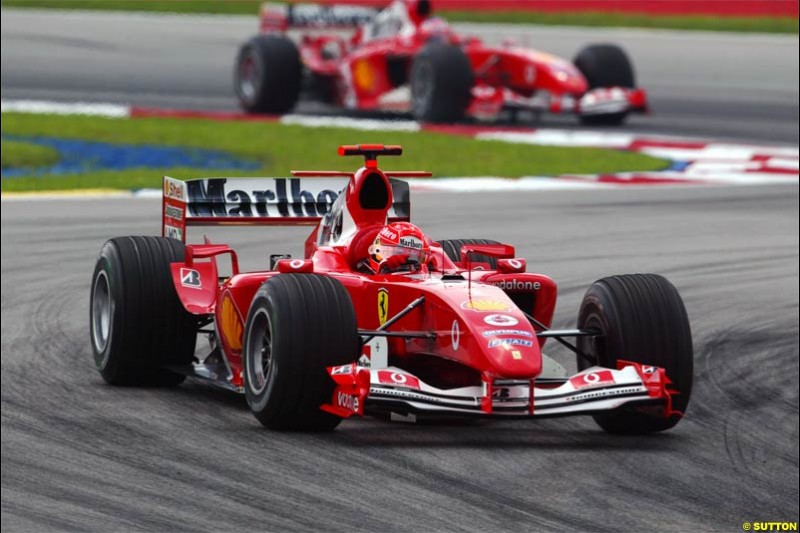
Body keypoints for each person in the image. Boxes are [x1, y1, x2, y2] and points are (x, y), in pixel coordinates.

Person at [357, 222, 431, 274]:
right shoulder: (362, 273)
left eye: (415, 257)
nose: (406, 263)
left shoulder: (430, 274)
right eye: (398, 252)